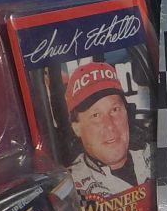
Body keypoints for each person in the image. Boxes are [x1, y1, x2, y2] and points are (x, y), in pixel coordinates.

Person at [65, 62, 152, 196]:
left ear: (127, 113)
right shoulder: (70, 189)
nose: (110, 125)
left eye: (115, 110)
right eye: (96, 115)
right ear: (76, 128)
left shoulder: (156, 155)